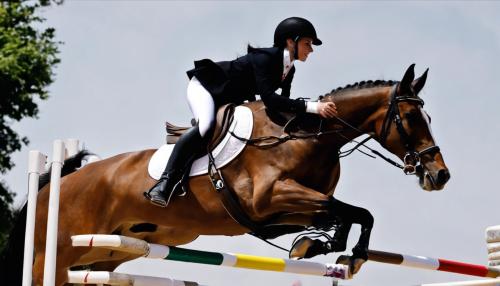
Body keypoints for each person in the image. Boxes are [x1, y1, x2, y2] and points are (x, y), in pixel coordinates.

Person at [146, 17, 338, 207]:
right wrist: (313, 107)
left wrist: (313, 116)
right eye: (307, 43)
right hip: (207, 87)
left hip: (229, 97)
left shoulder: (289, 70)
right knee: (206, 126)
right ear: (290, 41)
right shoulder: (266, 58)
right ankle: (164, 183)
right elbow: (270, 99)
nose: (311, 49)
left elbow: (283, 107)